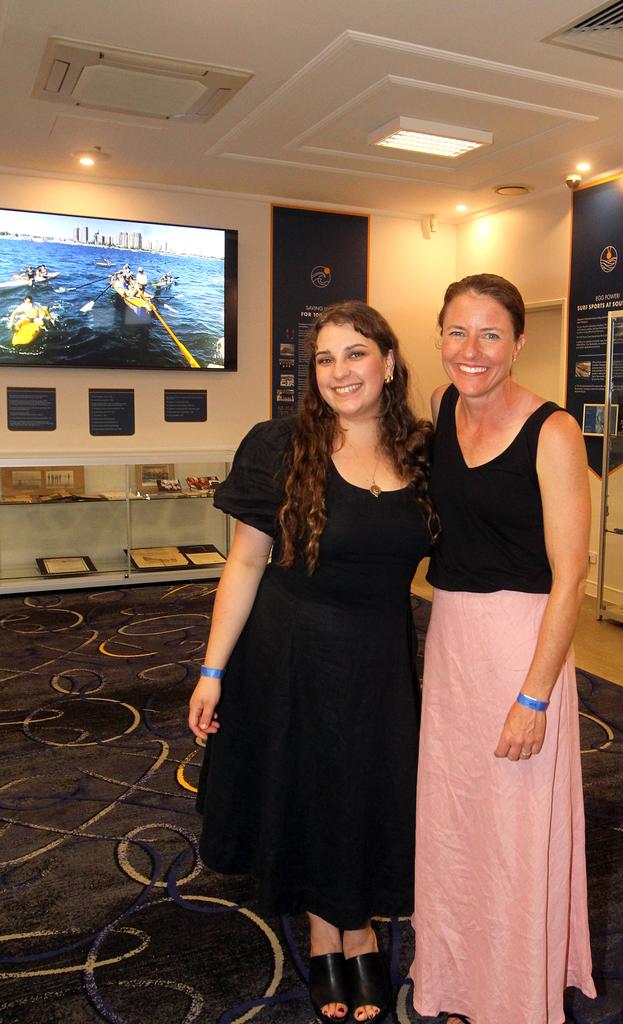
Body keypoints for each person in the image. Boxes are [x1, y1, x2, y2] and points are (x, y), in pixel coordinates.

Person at [188, 300, 436, 1024]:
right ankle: (338, 932)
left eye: (355, 354)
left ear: (388, 363)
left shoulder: (423, 451)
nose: (339, 372)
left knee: (367, 788)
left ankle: (350, 922)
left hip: (382, 656)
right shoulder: (277, 445)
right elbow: (244, 563)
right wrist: (212, 670)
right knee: (312, 787)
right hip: (291, 648)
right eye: (324, 359)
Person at [411, 274, 596, 1024]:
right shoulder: (440, 405)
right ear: (440, 338)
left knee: (516, 829)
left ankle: (514, 993)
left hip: (523, 645)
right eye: (457, 332)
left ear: (520, 342)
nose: (472, 350)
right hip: (452, 636)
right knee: (456, 822)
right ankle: (456, 980)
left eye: (491, 334)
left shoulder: (554, 432)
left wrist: (534, 695)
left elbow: (573, 574)